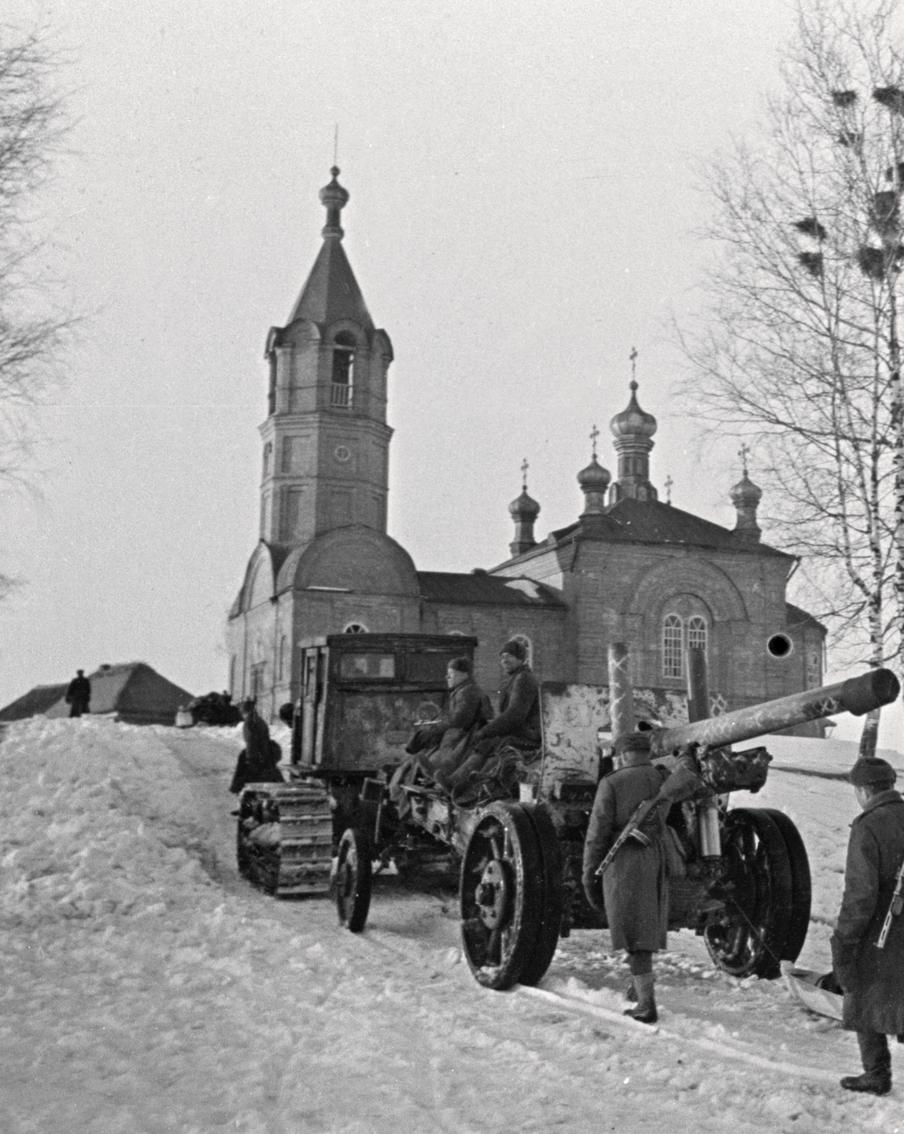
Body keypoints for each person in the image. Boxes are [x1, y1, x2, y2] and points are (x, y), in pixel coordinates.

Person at [581, 731, 676, 1025]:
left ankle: (646, 1005)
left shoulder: (612, 782)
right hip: (656, 856)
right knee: (645, 922)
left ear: (622, 755)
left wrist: (588, 872)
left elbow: (597, 832)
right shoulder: (664, 778)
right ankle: (638, 988)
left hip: (624, 860)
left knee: (634, 931)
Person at [831, 756, 904, 1096]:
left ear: (863, 791)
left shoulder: (869, 825)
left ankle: (876, 1073)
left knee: (861, 986)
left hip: (881, 927)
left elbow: (860, 894)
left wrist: (844, 939)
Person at [389, 657, 492, 812]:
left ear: (464, 674)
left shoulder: (468, 692)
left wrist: (437, 728)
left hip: (467, 737)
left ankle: (433, 773)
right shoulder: (464, 690)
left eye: (451, 674)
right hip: (464, 735)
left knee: (436, 753)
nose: (447, 677)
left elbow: (460, 719)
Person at [445, 639, 540, 790]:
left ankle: (466, 784)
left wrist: (486, 731)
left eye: (509, 656)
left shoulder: (524, 678)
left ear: (521, 658)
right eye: (502, 657)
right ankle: (458, 780)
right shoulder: (515, 678)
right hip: (521, 730)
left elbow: (514, 715)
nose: (504, 660)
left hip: (528, 735)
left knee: (489, 740)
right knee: (484, 739)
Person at [229, 699, 284, 794]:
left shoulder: (249, 722)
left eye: (241, 711)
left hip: (257, 755)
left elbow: (251, 741)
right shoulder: (258, 719)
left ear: (244, 711)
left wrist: (250, 759)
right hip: (264, 752)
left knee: (251, 779)